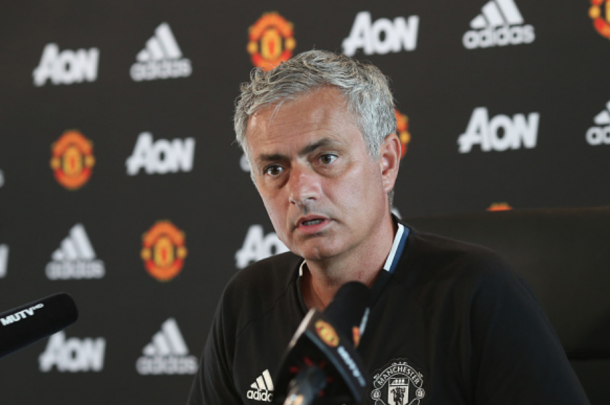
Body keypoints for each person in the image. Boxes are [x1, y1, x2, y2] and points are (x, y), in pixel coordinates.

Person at [188, 50, 589, 405]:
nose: (301, 191)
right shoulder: (247, 300)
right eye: (274, 169)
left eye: (326, 158)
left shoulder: (478, 291)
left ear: (386, 163)